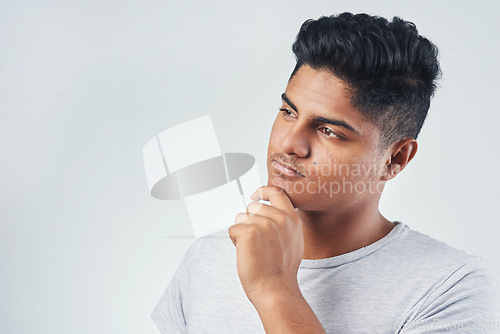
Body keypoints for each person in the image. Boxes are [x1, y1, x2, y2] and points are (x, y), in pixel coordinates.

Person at [152, 12, 500, 333]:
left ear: (395, 158)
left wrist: (274, 289)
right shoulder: (207, 258)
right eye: (288, 112)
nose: (290, 144)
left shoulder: (450, 287)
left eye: (329, 131)